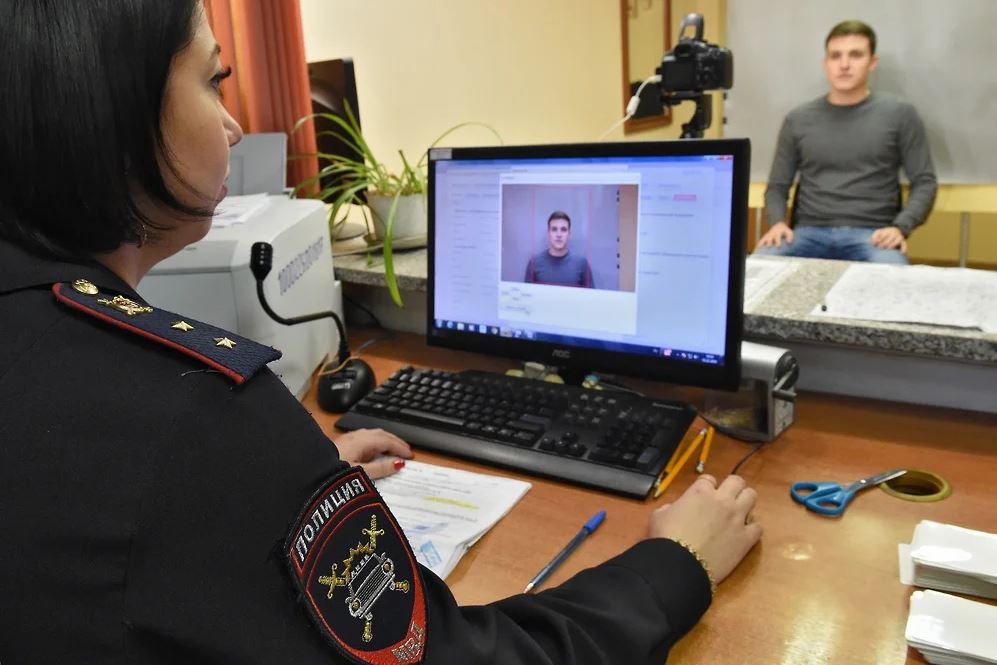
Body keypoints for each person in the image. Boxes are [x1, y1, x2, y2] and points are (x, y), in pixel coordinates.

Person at [0, 2, 762, 663]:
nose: (232, 125)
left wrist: (280, 490)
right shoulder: (195, 411)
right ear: (110, 108)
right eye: (213, 80)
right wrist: (677, 560)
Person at [755, 20, 938, 264]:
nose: (844, 65)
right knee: (759, 267)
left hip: (873, 237)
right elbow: (777, 186)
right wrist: (777, 223)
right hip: (806, 234)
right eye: (835, 56)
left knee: (893, 274)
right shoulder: (798, 119)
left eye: (855, 55)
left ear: (872, 62)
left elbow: (925, 182)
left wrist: (900, 228)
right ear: (825, 63)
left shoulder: (900, 115)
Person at [524, 211, 595, 287]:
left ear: (569, 234)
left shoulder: (582, 264)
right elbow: (527, 293)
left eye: (563, 230)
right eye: (554, 229)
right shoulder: (534, 263)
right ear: (548, 233)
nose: (559, 235)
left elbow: (591, 294)